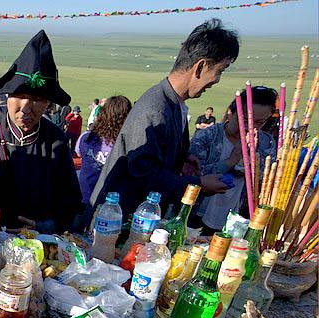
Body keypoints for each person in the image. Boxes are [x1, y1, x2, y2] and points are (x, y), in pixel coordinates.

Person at [89, 18, 238, 215]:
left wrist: (182, 158)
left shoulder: (174, 104)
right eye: (220, 71)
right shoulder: (155, 109)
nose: (217, 81)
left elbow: (155, 155)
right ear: (200, 67)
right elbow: (144, 175)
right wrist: (198, 184)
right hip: (115, 219)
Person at [0, 30, 82, 233]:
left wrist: (42, 226)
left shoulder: (55, 141)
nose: (26, 108)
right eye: (19, 95)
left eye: (37, 99)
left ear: (47, 103)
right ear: (7, 95)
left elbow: (70, 205)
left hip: (32, 240)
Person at [191, 86, 277, 232]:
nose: (250, 127)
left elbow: (267, 183)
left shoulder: (265, 142)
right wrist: (232, 159)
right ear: (231, 113)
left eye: (259, 122)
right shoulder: (207, 137)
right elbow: (193, 177)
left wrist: (254, 160)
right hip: (198, 215)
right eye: (244, 119)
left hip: (239, 220)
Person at [75, 96, 132, 203]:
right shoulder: (127, 147)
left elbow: (79, 154)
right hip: (109, 207)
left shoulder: (86, 138)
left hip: (82, 198)